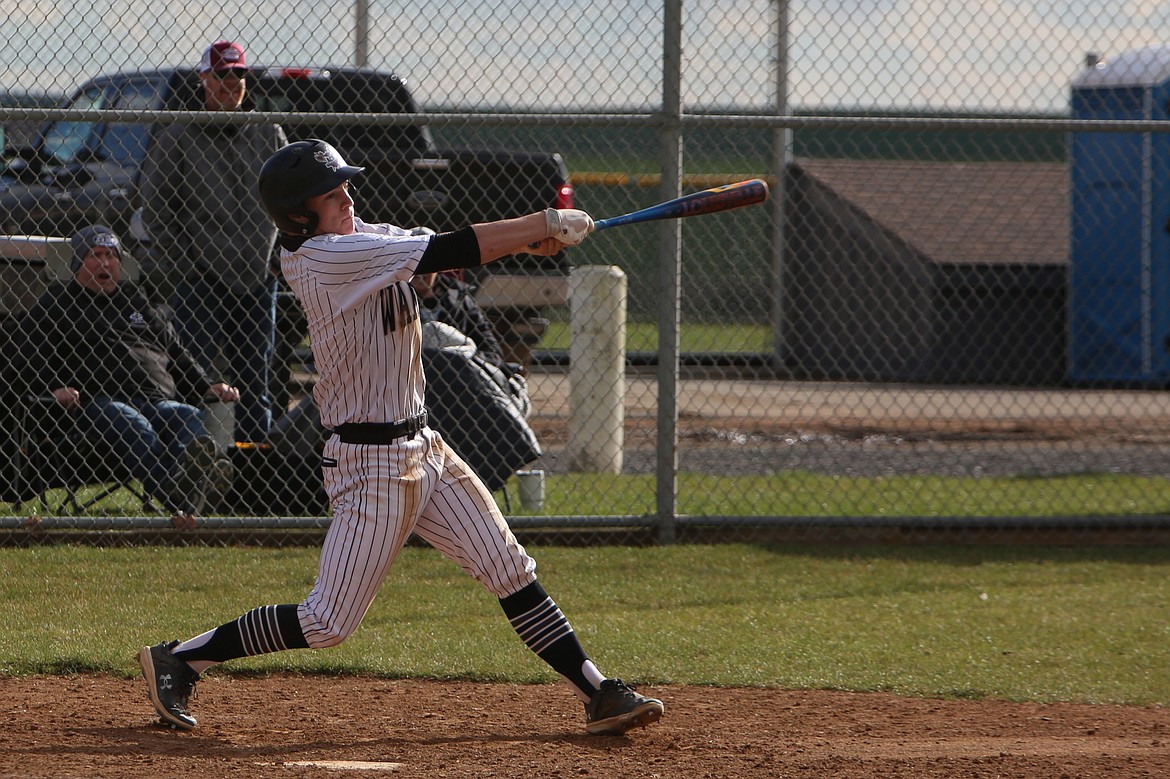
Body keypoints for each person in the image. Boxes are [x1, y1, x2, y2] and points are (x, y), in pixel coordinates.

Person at [137, 139, 664, 737]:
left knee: (510, 570)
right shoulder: (323, 257)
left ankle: (598, 693)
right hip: (371, 465)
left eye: (344, 189)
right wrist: (542, 223)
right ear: (298, 215)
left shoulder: (357, 236)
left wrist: (526, 243)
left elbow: (433, 257)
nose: (347, 199)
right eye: (331, 195)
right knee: (327, 623)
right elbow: (447, 245)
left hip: (425, 448)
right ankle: (180, 659)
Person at [11, 225, 240, 525]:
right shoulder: (58, 303)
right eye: (95, 255)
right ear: (78, 262)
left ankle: (185, 481)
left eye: (111, 256)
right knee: (135, 424)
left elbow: (178, 355)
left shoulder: (138, 302)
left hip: (157, 400)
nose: (105, 263)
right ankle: (178, 492)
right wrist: (53, 390)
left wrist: (208, 385)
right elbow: (24, 357)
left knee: (187, 416)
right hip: (97, 405)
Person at [137, 39, 288, 445]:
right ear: (203, 77)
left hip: (258, 278)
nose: (231, 82)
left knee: (257, 377)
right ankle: (195, 465)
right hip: (201, 280)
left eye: (239, 73)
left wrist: (277, 257)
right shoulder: (178, 135)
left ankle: (257, 477)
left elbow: (291, 197)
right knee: (197, 376)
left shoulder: (268, 132)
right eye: (221, 73)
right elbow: (156, 208)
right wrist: (188, 265)